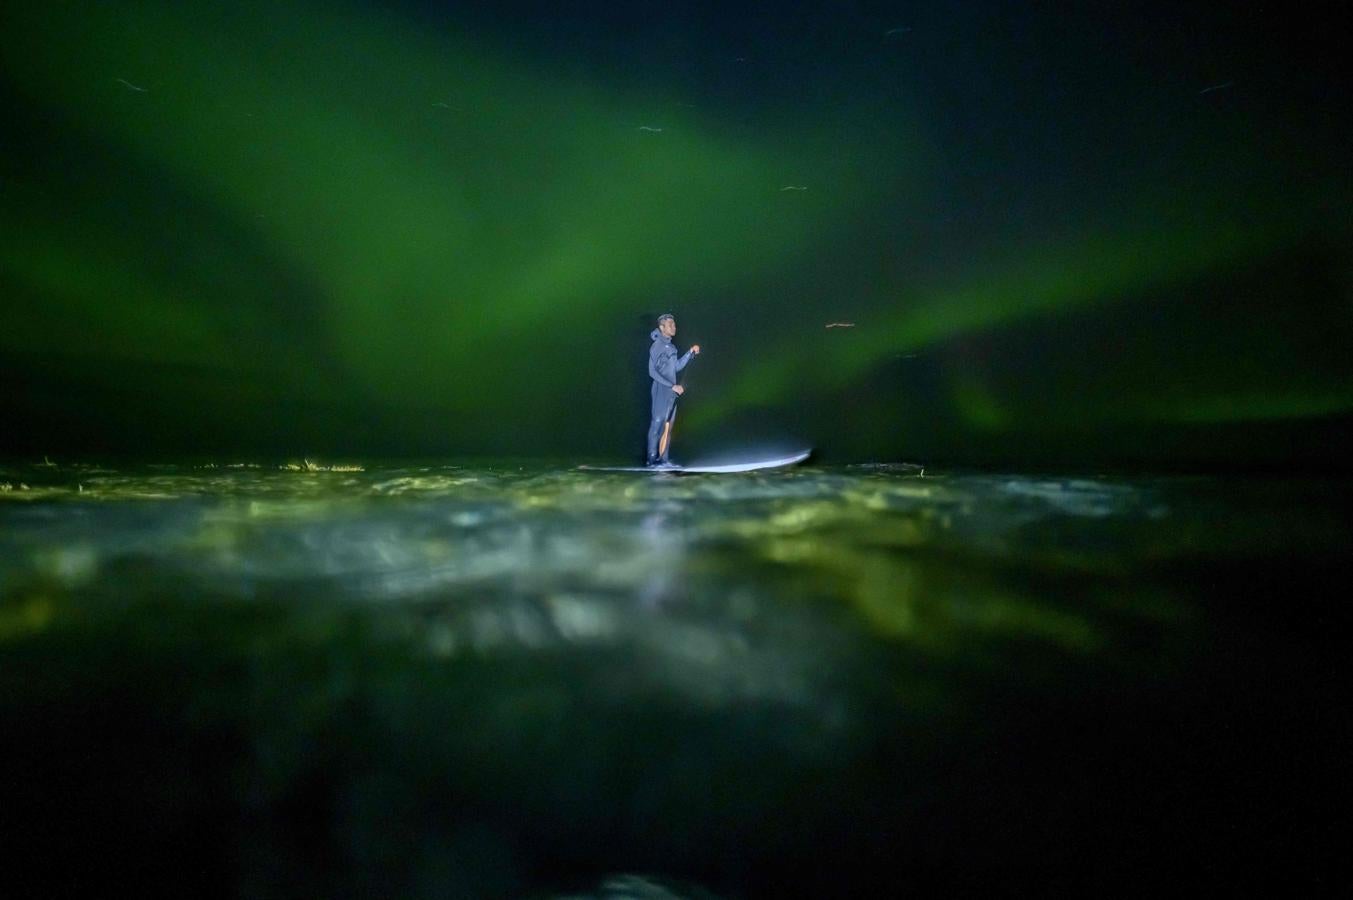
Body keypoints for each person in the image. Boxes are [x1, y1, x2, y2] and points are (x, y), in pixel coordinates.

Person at [646, 313, 700, 467]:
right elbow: (652, 371)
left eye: (674, 325)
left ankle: (663, 460)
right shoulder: (657, 346)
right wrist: (671, 386)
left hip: (672, 392)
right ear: (662, 328)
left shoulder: (672, 346)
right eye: (670, 325)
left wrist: (690, 353)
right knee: (657, 423)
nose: (674, 327)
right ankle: (651, 461)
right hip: (661, 390)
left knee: (668, 426)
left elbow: (676, 367)